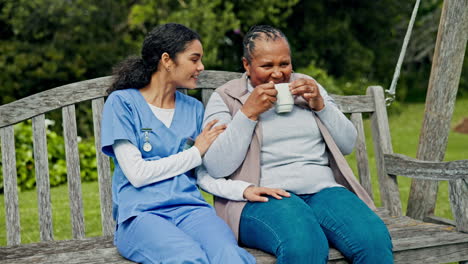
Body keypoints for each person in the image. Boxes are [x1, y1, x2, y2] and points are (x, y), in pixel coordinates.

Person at [197, 25, 394, 264]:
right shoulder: (226, 97)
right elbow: (217, 167)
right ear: (247, 65)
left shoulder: (308, 86)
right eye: (267, 66)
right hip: (264, 196)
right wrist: (248, 114)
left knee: (373, 240)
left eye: (285, 64)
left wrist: (321, 105)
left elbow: (348, 143)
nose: (278, 74)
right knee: (305, 246)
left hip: (323, 189)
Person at [101, 23, 256, 264]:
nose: (201, 67)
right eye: (194, 59)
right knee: (187, 258)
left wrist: (242, 190)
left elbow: (202, 174)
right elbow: (138, 174)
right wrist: (196, 152)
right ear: (167, 60)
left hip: (191, 211)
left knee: (231, 256)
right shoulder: (122, 103)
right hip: (142, 216)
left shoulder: (193, 109)